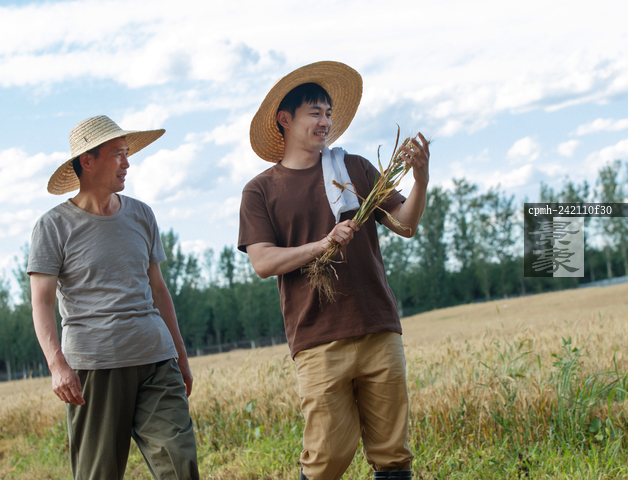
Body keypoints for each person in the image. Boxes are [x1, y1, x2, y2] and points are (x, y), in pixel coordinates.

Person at [238, 61, 430, 480]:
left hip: (378, 326)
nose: (325, 121)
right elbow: (263, 262)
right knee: (326, 458)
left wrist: (420, 178)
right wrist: (322, 245)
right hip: (317, 339)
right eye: (315, 113)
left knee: (393, 455)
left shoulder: (355, 168)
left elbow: (406, 225)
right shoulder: (261, 190)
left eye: (328, 113)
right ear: (285, 120)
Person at [27, 115, 200, 480]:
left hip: (156, 359)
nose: (127, 163)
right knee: (99, 474)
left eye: (127, 153)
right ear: (87, 160)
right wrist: (58, 366)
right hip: (94, 369)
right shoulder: (53, 226)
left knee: (180, 465)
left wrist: (180, 356)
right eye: (118, 154)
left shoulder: (141, 214)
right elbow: (41, 301)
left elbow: (158, 289)